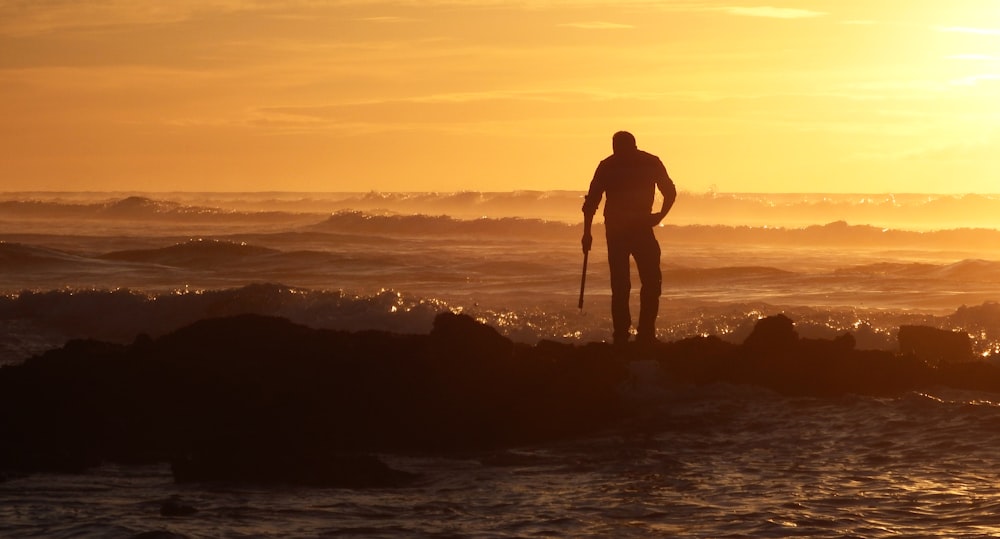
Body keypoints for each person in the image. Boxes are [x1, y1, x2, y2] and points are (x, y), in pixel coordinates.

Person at [581, 131, 676, 346]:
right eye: (617, 149)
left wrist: (660, 216)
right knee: (629, 284)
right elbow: (591, 203)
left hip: (630, 228)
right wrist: (586, 233)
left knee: (644, 282)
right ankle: (628, 335)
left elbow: (670, 192)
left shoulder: (614, 165)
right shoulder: (617, 165)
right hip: (624, 230)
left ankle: (640, 335)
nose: (619, 153)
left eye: (620, 148)